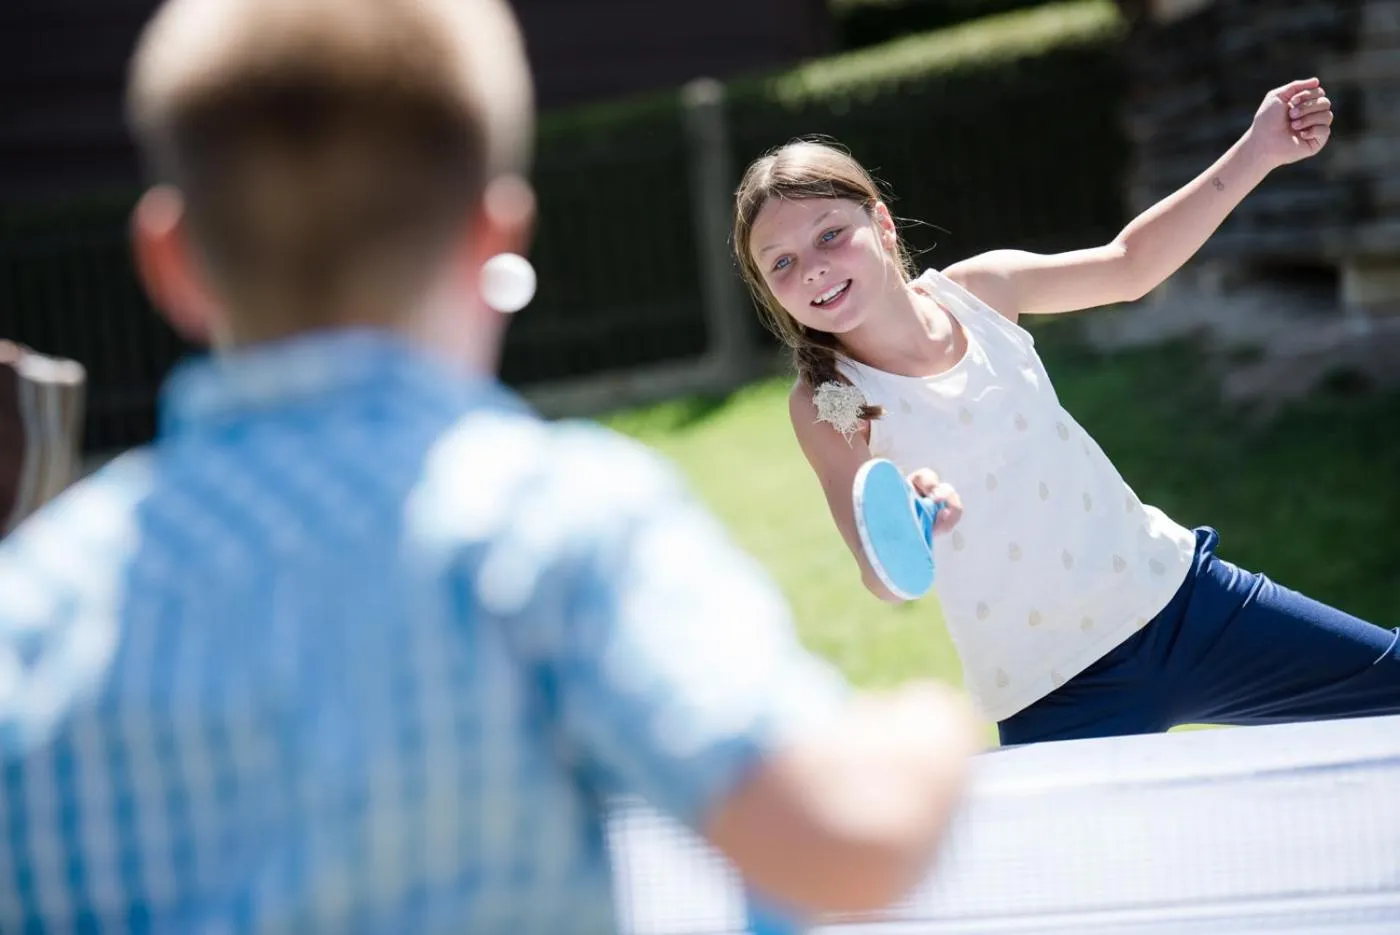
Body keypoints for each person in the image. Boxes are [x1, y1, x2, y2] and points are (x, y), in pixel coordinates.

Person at [0, 0, 981, 931]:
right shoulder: (557, 522)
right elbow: (847, 837)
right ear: (495, 237)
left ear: (168, 261)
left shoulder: (33, 603)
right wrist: (926, 726)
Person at [733, 77, 1400, 747]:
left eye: (829, 235)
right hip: (1050, 689)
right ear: (768, 290)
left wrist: (1259, 150)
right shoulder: (829, 399)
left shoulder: (983, 291)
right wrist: (908, 528)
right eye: (783, 262)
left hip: (1178, 600)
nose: (813, 269)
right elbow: (883, 579)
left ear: (880, 223)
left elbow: (1131, 265)